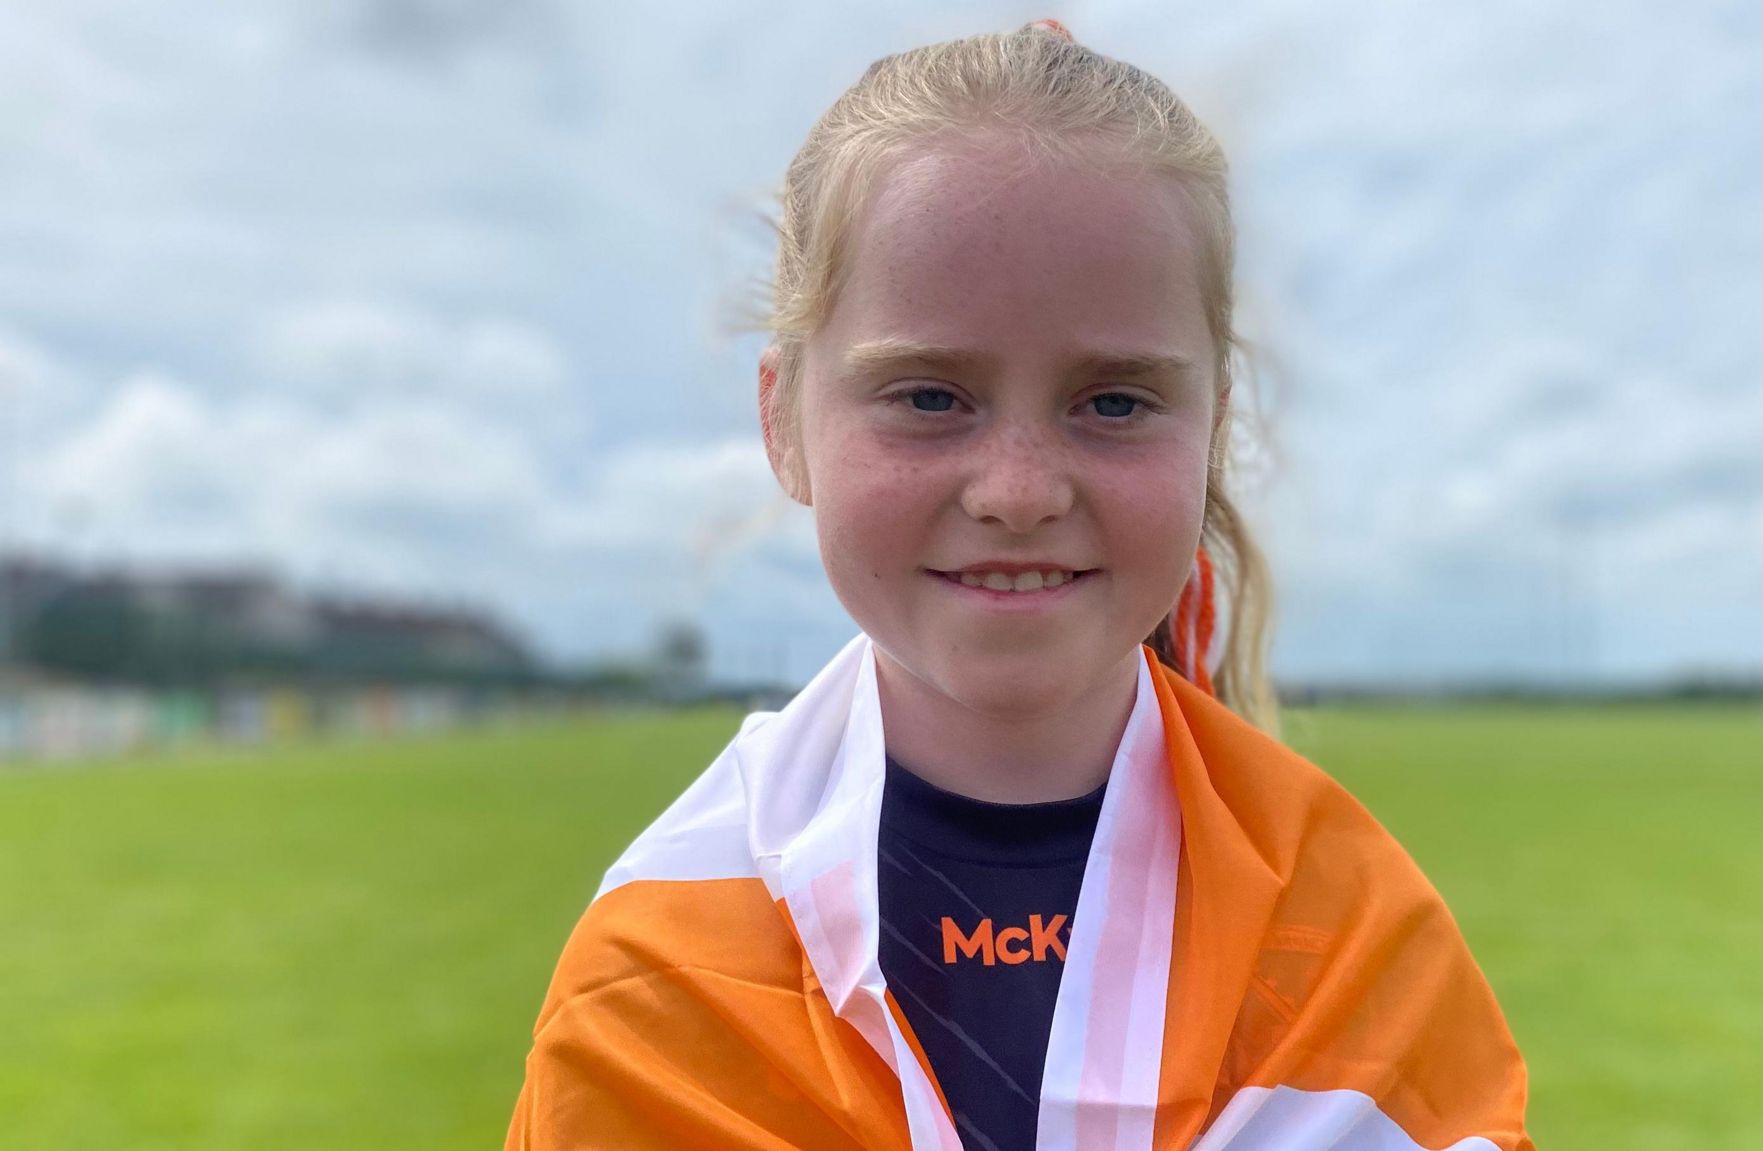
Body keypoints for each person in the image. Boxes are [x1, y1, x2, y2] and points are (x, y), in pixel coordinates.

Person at [504, 21, 1533, 1151]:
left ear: (1213, 428)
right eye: (928, 395)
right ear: (782, 422)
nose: (1018, 491)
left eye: (1115, 402)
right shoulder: (659, 955)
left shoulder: (1344, 926)